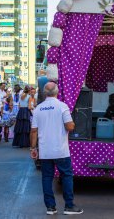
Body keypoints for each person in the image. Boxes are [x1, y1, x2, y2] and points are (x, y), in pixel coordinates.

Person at [30, 82, 83, 215]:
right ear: (57, 92)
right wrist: (72, 123)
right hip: (60, 150)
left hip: (45, 151)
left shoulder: (38, 109)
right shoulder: (62, 106)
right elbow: (70, 126)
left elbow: (34, 131)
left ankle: (50, 207)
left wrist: (33, 148)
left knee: (47, 177)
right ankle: (69, 206)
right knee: (66, 176)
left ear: (44, 92)